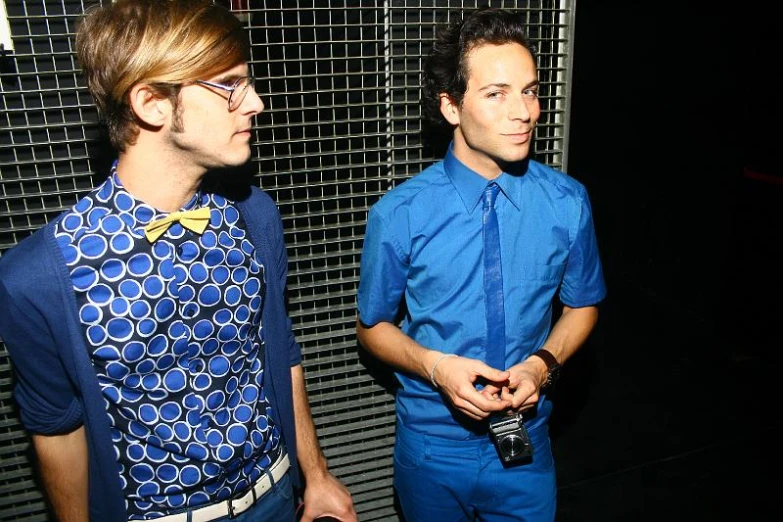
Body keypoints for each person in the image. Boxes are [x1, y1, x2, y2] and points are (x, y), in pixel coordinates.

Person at [0, 1, 357, 521]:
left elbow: (280, 348)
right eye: (229, 85)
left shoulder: (253, 216)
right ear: (152, 103)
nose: (254, 101)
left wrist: (317, 474)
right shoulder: (37, 277)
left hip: (278, 494)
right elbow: (56, 427)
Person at [356, 7, 606, 522]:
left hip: (527, 448)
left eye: (531, 91)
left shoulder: (567, 202)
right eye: (497, 94)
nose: (525, 112)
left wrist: (543, 364)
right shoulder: (400, 212)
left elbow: (582, 306)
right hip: (431, 446)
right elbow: (372, 327)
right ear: (452, 107)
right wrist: (437, 368)